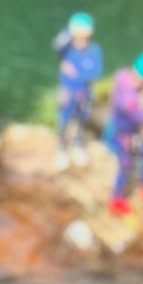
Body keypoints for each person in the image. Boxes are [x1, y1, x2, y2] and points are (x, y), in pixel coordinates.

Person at [103, 51, 143, 216]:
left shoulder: (123, 75)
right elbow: (141, 117)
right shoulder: (128, 96)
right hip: (122, 132)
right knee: (125, 164)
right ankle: (116, 198)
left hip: (119, 127)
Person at [52, 12, 104, 172]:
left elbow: (95, 73)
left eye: (83, 35)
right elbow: (56, 45)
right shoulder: (66, 49)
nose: (79, 39)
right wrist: (69, 30)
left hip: (85, 94)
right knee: (64, 121)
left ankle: (77, 145)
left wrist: (77, 74)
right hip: (68, 93)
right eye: (76, 35)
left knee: (81, 121)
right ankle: (61, 149)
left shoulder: (94, 50)